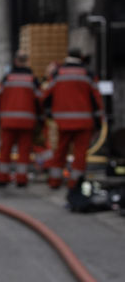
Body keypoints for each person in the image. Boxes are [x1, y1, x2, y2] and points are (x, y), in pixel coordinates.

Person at [42, 48, 104, 189]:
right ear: (81, 57)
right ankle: (75, 183)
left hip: (62, 122)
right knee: (80, 154)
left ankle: (54, 181)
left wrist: (49, 114)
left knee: (60, 152)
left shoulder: (58, 73)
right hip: (84, 122)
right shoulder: (88, 73)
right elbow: (96, 100)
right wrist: (98, 121)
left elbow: (47, 96)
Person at [0, 51, 41, 187]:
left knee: (5, 150)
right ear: (27, 61)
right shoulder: (32, 79)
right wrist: (40, 119)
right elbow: (39, 100)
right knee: (24, 152)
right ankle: (21, 179)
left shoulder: (7, 78)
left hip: (8, 121)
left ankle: (2, 178)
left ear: (15, 61)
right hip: (27, 122)